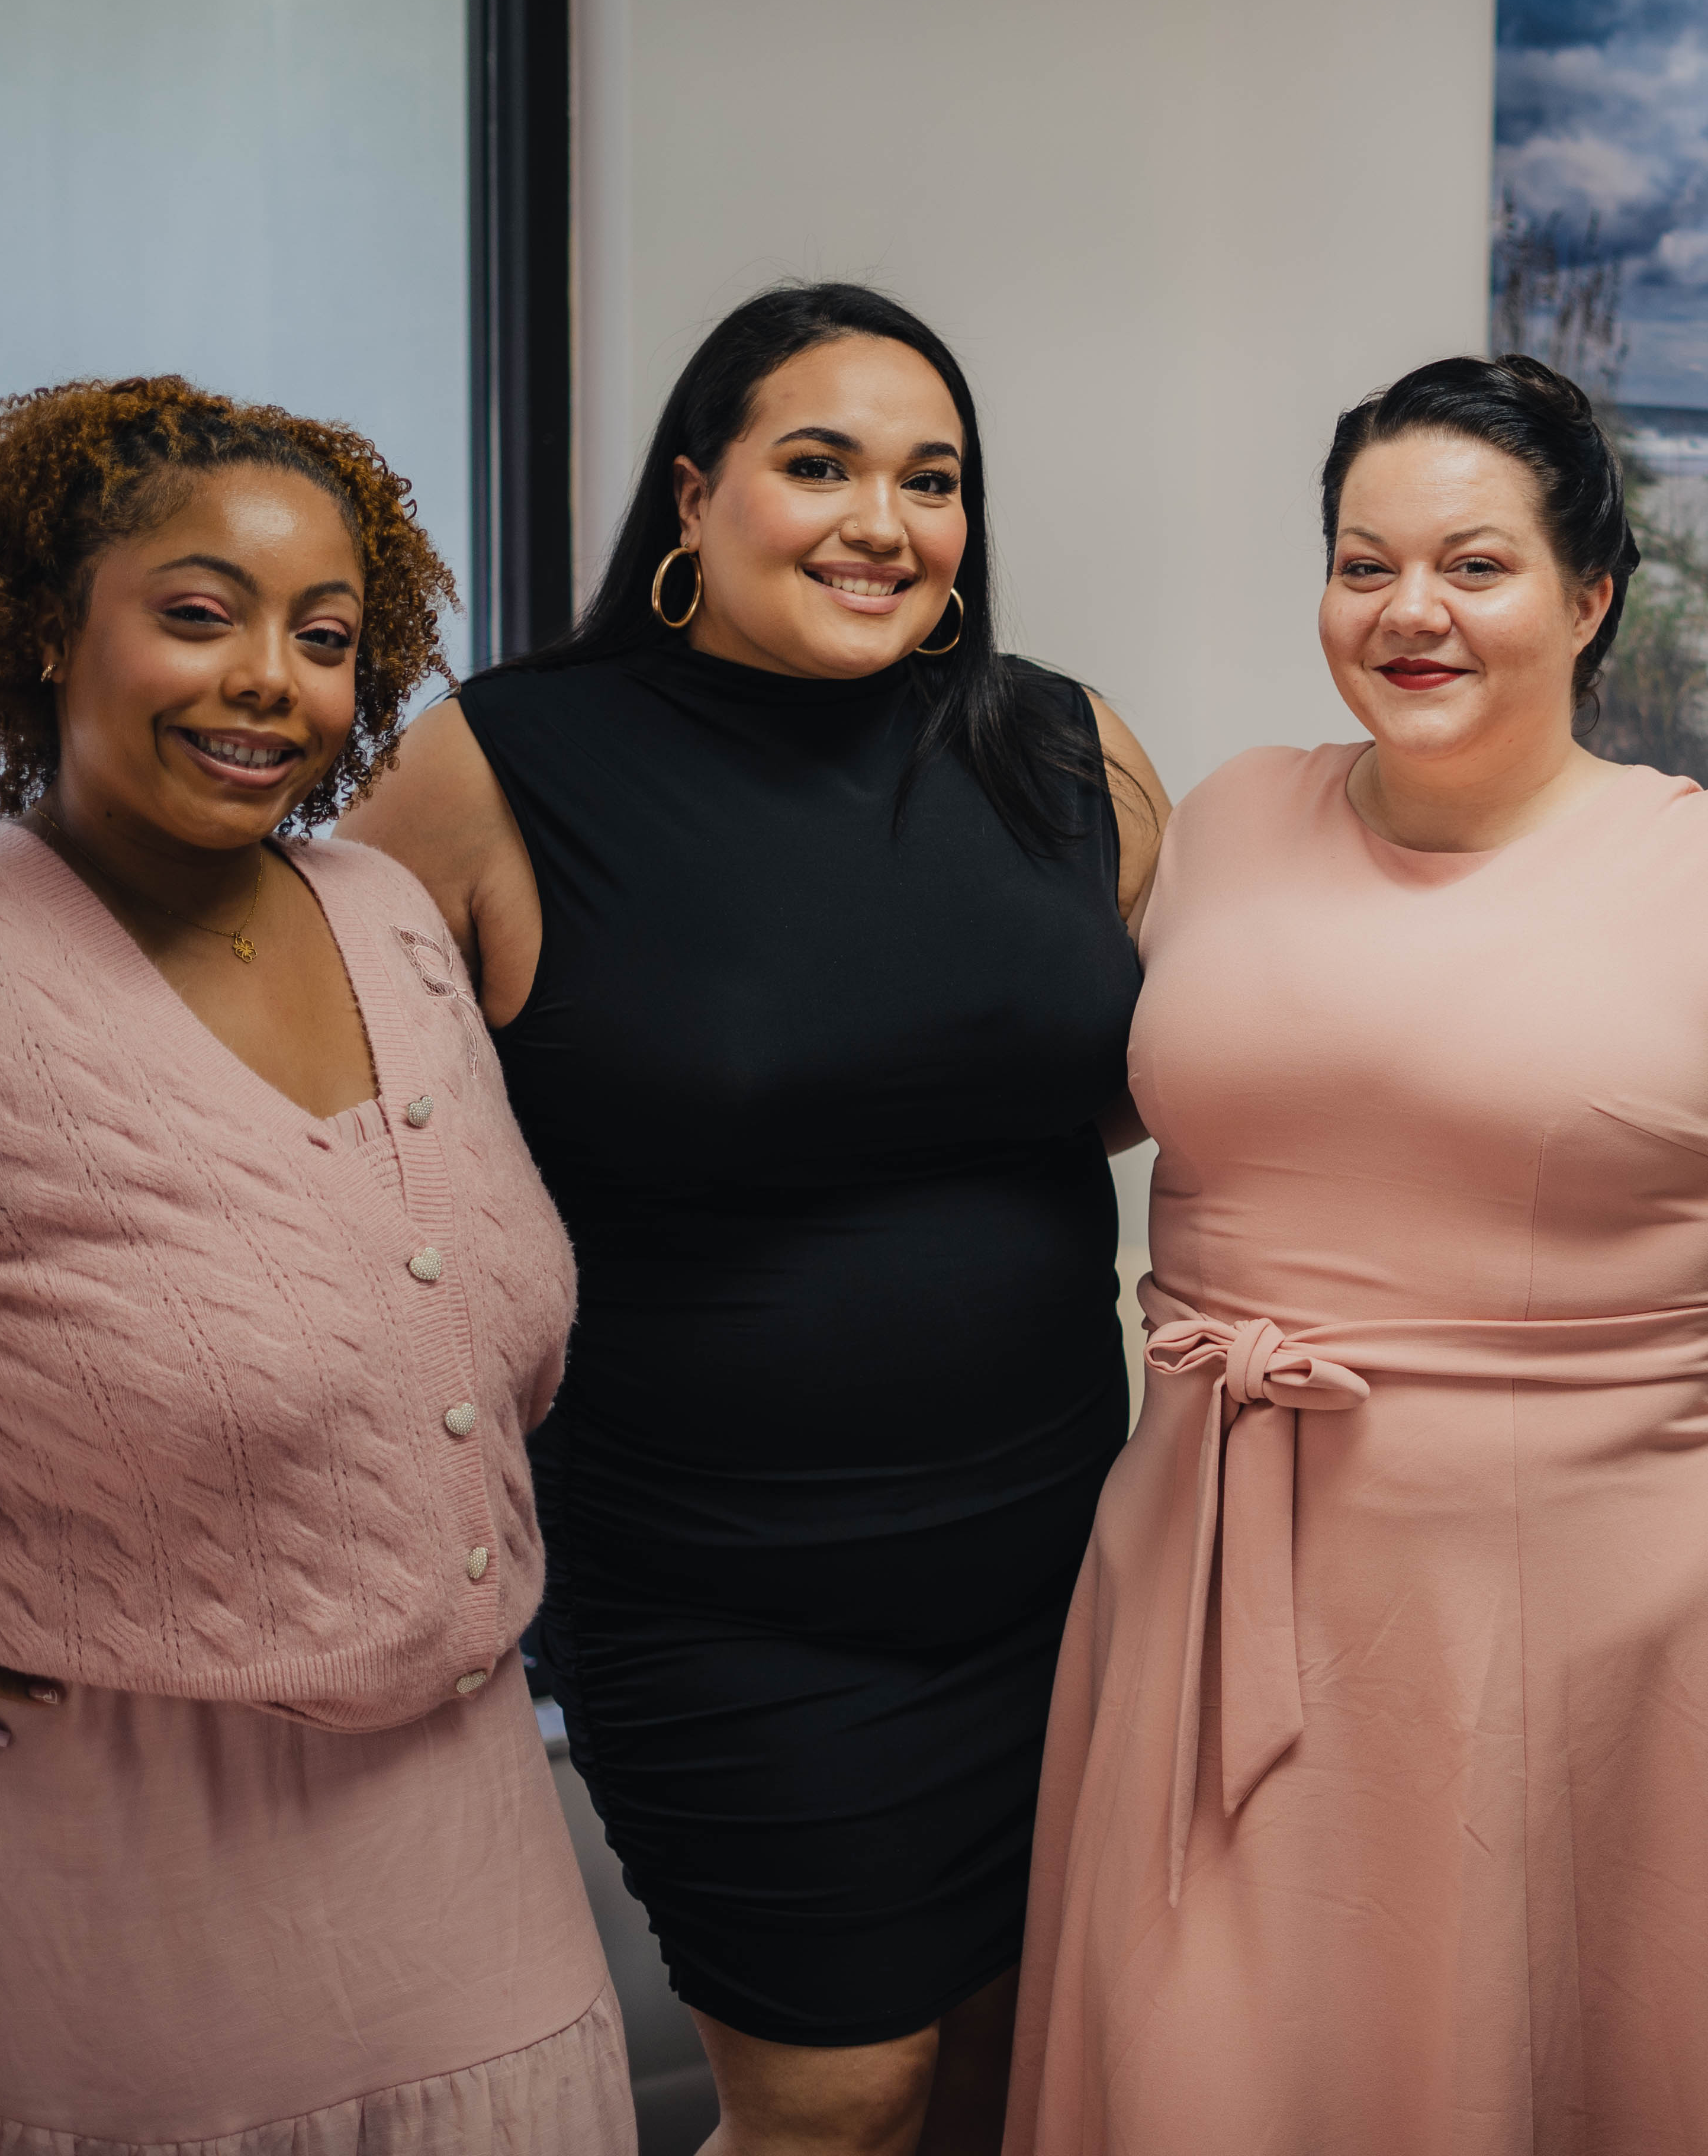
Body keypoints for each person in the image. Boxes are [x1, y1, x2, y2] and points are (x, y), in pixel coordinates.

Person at [1004, 354, 1708, 2156]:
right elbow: (1041, 1093)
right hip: (1212, 1571)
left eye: (1475, 566)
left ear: (1591, 598)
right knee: (1224, 2067)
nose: (1408, 610)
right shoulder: (1228, 821)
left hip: (1619, 1624)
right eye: (1365, 564)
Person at [343, 283, 1163, 2156]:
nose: (885, 521)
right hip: (720, 1598)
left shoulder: (1061, 748)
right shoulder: (503, 762)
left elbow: (1192, 1063)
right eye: (821, 466)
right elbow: (317, 1116)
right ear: (696, 495)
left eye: (932, 480)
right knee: (839, 2103)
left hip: (1058, 1568)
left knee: (1013, 2088)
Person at [0, 377, 628, 2148]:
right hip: (80, 1895)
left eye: (324, 638)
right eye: (198, 615)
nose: (271, 682)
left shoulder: (388, 921)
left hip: (464, 1853)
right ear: (42, 631)